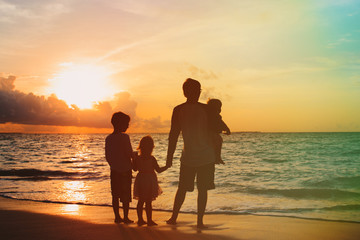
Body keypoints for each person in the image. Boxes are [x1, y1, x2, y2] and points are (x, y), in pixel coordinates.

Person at [166, 78, 216, 229]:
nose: (197, 92)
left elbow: (215, 130)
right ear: (185, 92)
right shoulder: (179, 109)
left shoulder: (206, 109)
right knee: (184, 188)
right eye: (195, 90)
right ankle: (175, 217)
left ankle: (198, 221)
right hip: (190, 157)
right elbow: (173, 135)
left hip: (206, 156)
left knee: (201, 190)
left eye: (199, 90)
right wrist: (169, 158)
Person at [105, 111, 134, 224]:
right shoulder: (125, 137)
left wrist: (114, 165)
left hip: (114, 170)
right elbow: (129, 153)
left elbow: (108, 156)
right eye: (126, 123)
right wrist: (134, 161)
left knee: (115, 195)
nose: (127, 126)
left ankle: (117, 217)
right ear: (120, 124)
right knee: (126, 195)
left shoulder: (109, 138)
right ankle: (125, 217)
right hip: (126, 170)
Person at [133, 135, 167, 226]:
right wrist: (167, 166)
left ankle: (140, 220)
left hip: (141, 180)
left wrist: (133, 159)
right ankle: (149, 220)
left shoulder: (138, 158)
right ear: (151, 147)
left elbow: (135, 169)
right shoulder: (152, 158)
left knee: (141, 201)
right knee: (148, 202)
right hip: (150, 180)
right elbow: (159, 170)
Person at [207, 98, 231, 164]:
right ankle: (217, 157)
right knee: (218, 141)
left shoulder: (208, 114)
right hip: (213, 133)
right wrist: (227, 129)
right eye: (219, 107)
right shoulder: (216, 115)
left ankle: (217, 157)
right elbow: (222, 123)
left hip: (208, 134)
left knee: (216, 144)